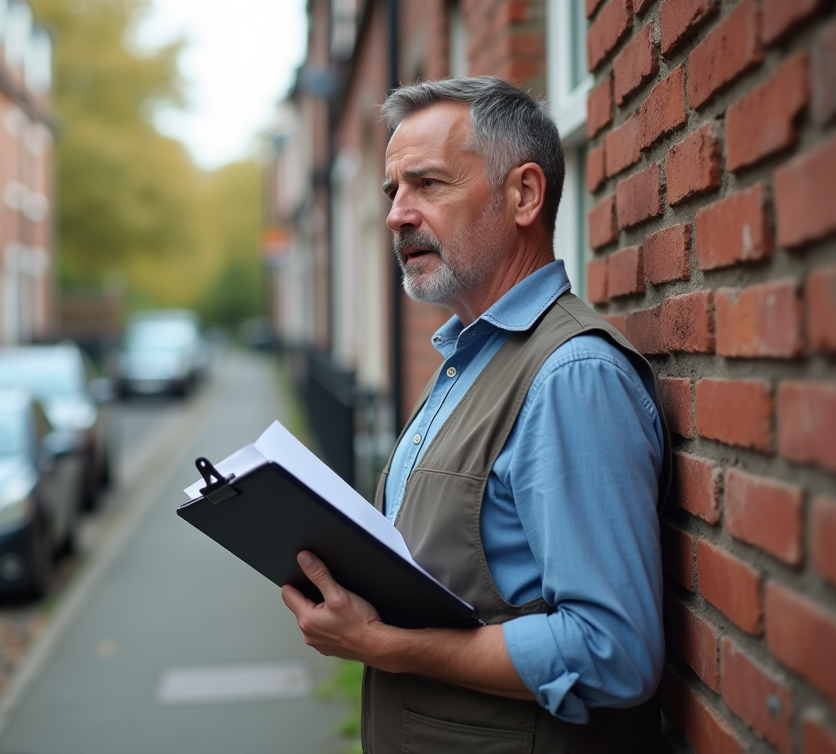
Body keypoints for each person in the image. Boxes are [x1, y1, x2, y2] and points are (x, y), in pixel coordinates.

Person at [281, 76, 672, 753]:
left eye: (427, 184)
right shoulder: (468, 357)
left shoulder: (570, 377)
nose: (397, 215)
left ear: (524, 194)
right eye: (391, 191)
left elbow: (614, 651)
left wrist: (387, 645)